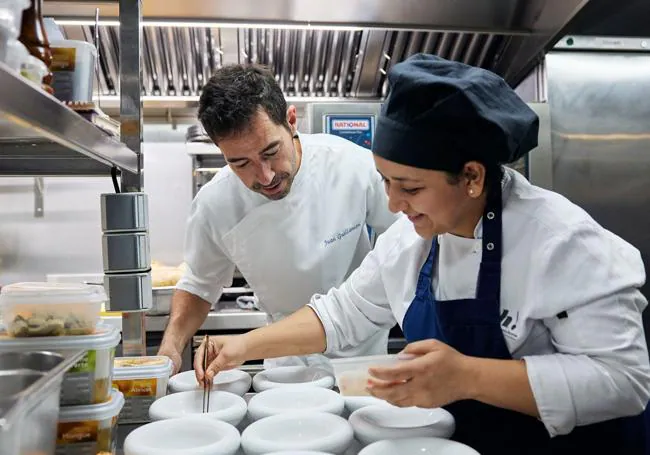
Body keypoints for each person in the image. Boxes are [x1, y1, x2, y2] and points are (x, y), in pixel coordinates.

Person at [194, 54, 650, 454]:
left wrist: (468, 376)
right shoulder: (410, 240)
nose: (393, 204)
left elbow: (623, 381)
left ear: (471, 177)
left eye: (410, 188)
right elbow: (341, 314)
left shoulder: (561, 242)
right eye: (386, 182)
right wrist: (242, 347)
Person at [157, 63, 398, 374]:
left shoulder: (352, 167)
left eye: (270, 152)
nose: (265, 175)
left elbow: (410, 242)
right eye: (240, 163)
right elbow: (200, 284)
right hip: (286, 368)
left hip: (363, 362)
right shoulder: (215, 204)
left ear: (291, 121)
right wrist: (171, 345)